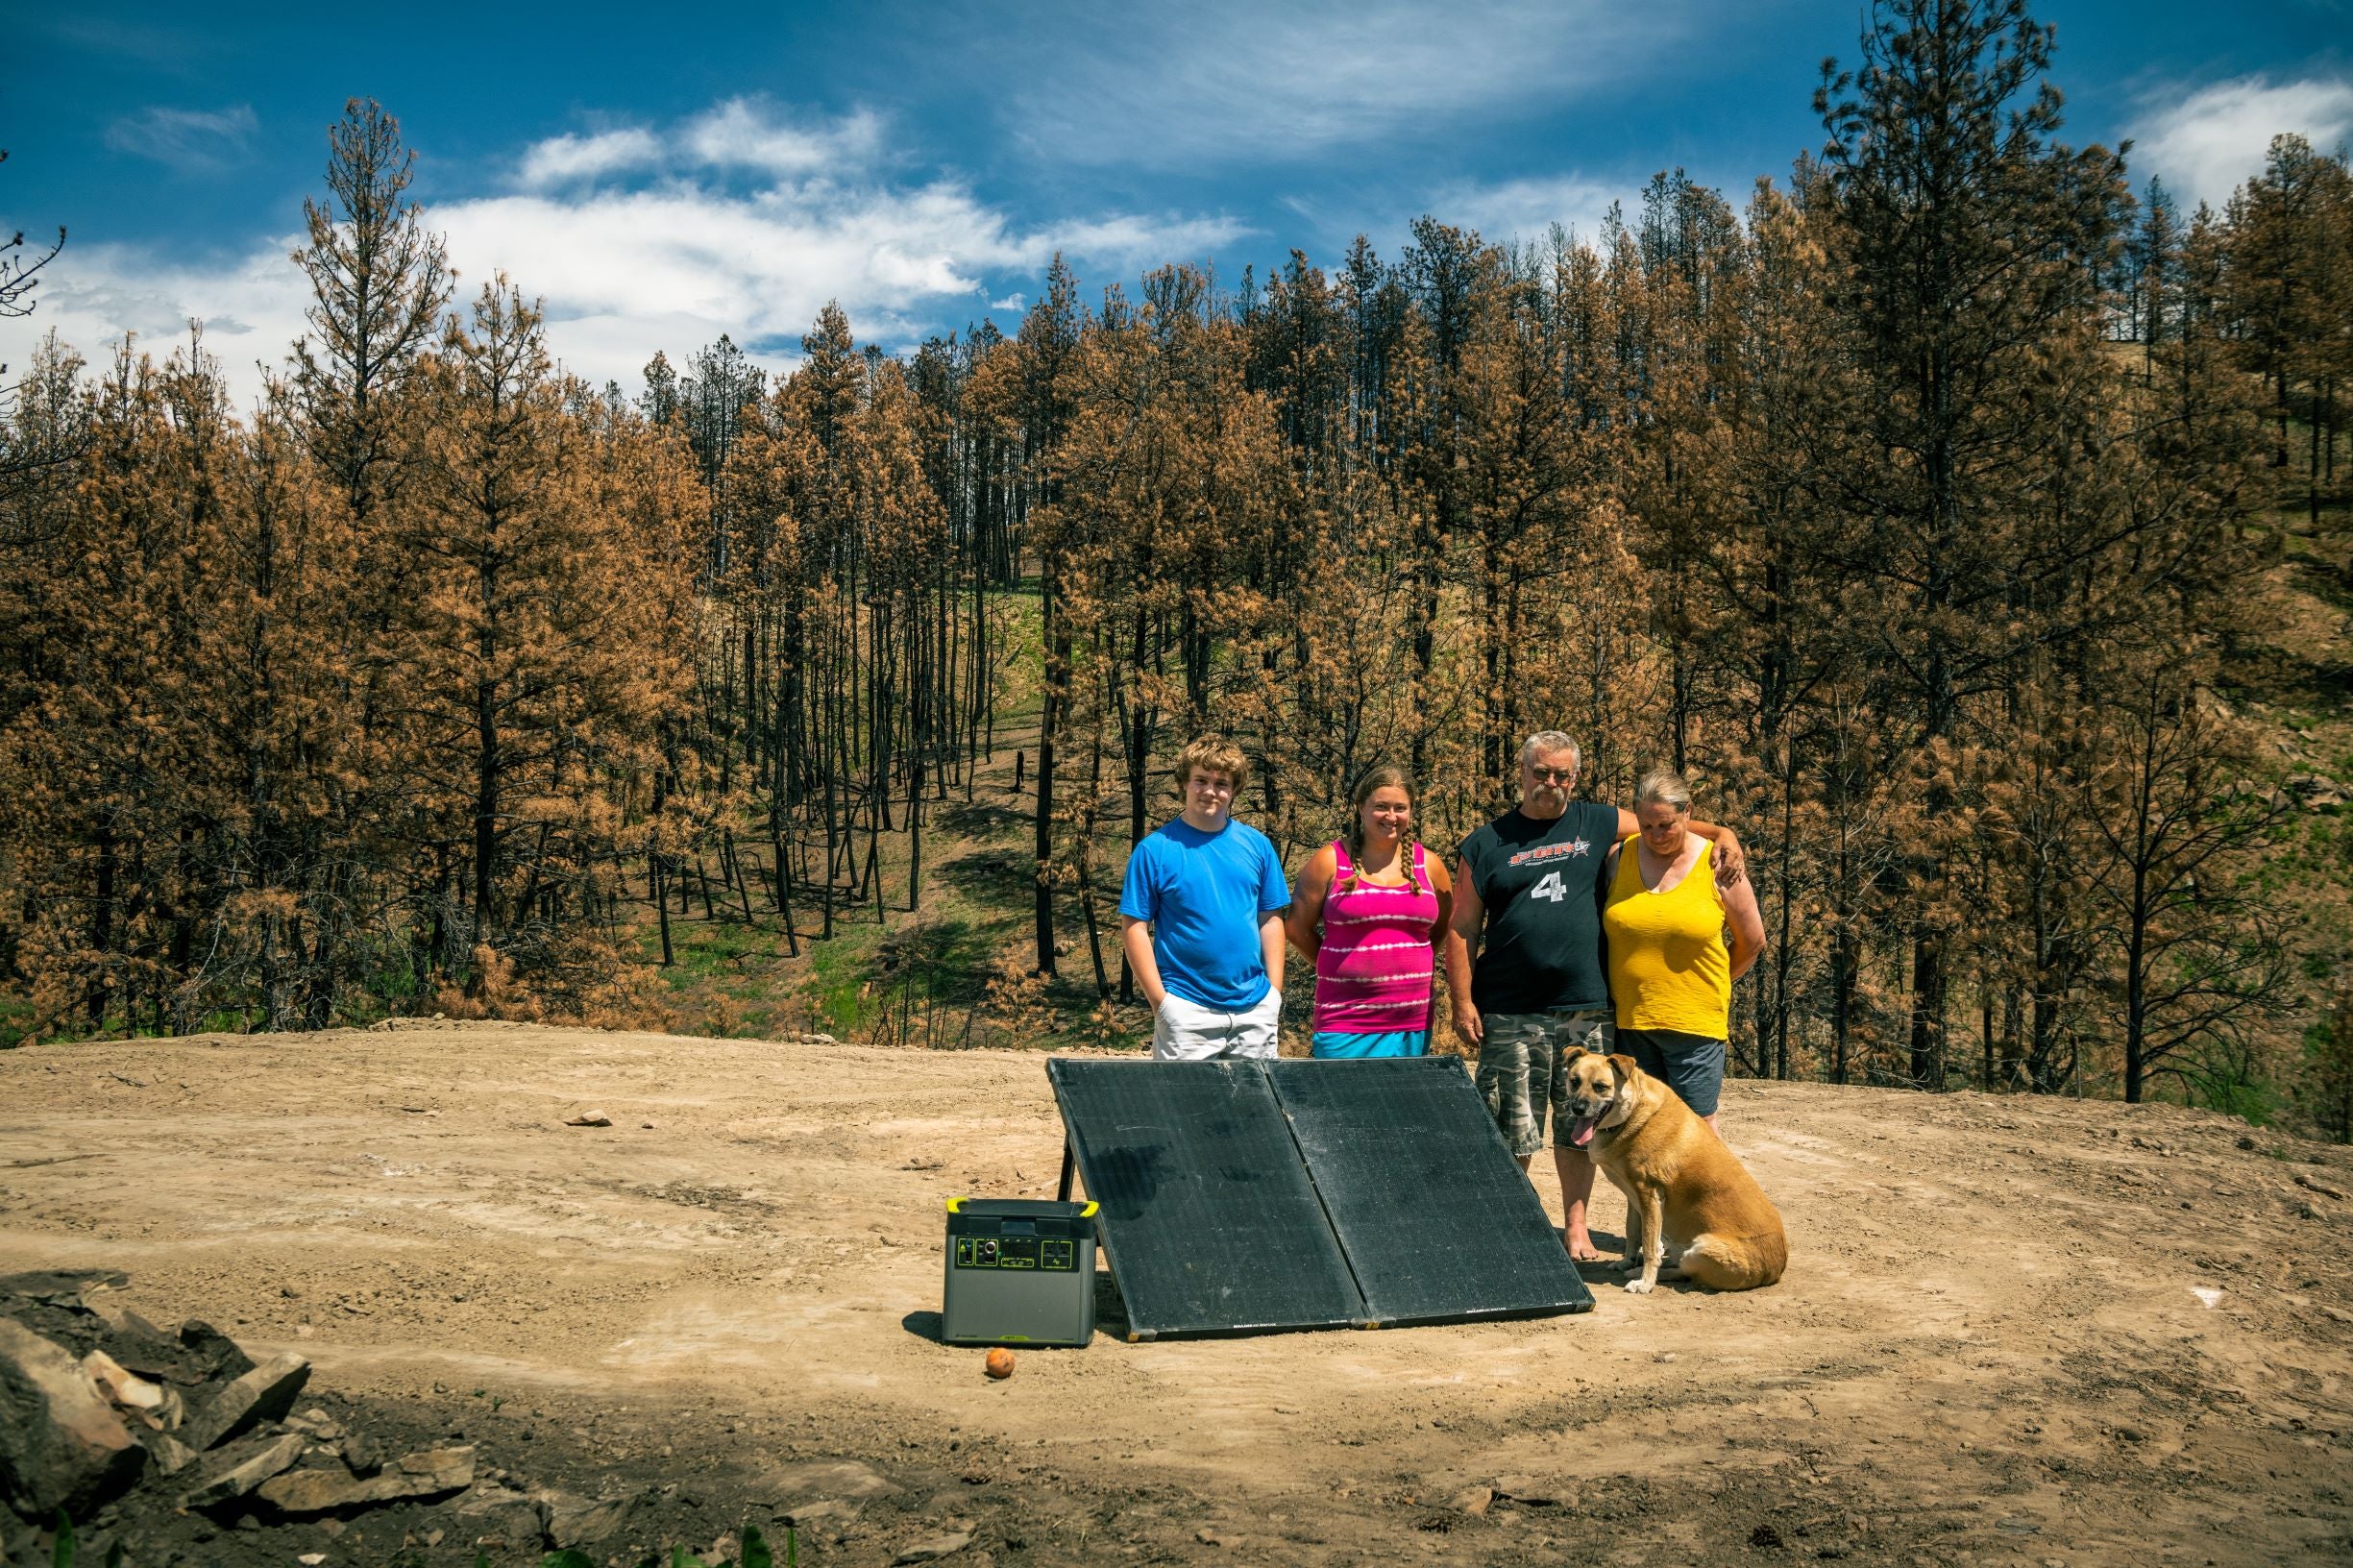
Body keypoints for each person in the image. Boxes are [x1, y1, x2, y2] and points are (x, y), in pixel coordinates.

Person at [1444, 730, 1747, 1262]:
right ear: (1522, 772)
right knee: (1510, 1121)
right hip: (1509, 1006)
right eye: (1541, 772)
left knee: (1577, 1122)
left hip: (1585, 1006)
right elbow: (1462, 927)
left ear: (1575, 778)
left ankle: (1576, 1229)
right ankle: (1513, 1223)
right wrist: (1462, 1002)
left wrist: (1724, 831)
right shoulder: (1486, 842)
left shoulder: (1597, 821)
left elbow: (1669, 822)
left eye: (1562, 775)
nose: (1551, 784)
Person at [1601, 770, 1766, 1135]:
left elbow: (1752, 940)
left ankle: (1704, 1195)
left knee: (1695, 1135)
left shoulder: (1718, 864)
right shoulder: (1619, 858)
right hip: (1631, 1023)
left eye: (1666, 825)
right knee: (1638, 1131)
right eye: (1647, 826)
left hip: (1694, 1027)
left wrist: (1711, 984)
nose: (1656, 835)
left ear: (1688, 812)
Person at [1118, 734, 1291, 1061]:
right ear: (1185, 782)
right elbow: (1134, 928)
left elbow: (1270, 920)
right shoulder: (1154, 851)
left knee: (1255, 1110)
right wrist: (1161, 1003)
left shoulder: (1257, 846)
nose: (1210, 791)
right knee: (1184, 1111)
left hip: (1255, 1010)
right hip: (1185, 1009)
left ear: (1234, 790)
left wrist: (1274, 994)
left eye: (1221, 783)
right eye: (1201, 780)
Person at [1286, 767, 1454, 1058]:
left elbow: (1441, 929)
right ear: (1361, 807)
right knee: (1343, 1103)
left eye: (1400, 808)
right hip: (1345, 1020)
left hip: (1412, 1020)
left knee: (1402, 1103)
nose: (1391, 816)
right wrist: (1336, 964)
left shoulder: (1429, 864)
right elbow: (1296, 929)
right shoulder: (1330, 861)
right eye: (1381, 807)